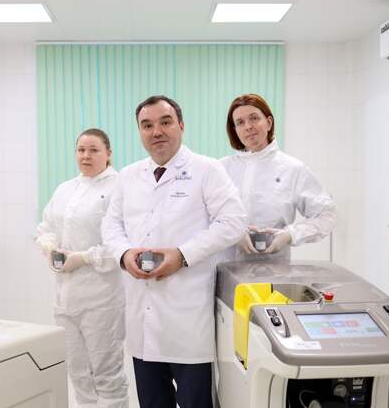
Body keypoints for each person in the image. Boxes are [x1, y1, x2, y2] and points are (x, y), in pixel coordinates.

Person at [101, 95, 246, 408]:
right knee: (152, 402)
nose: (156, 131)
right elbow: (110, 225)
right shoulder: (128, 176)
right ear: (140, 132)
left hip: (188, 321)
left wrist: (182, 255)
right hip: (142, 320)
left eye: (165, 122)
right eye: (147, 125)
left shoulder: (207, 169)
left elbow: (233, 222)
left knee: (196, 403)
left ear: (181, 125)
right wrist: (124, 254)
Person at [35, 128, 128, 408]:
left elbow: (122, 246)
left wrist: (84, 258)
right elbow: (46, 226)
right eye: (81, 150)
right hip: (66, 299)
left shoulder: (119, 188)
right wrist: (49, 246)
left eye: (93, 150)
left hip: (101, 300)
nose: (86, 156)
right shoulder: (66, 189)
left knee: (107, 376)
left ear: (108, 153)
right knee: (77, 374)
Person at [221, 93, 336, 261]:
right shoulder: (222, 168)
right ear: (235, 130)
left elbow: (326, 215)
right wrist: (233, 231)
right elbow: (204, 216)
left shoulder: (293, 169)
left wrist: (290, 235)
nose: (248, 126)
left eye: (254, 118)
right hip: (223, 266)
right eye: (240, 122)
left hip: (274, 268)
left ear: (268, 122)